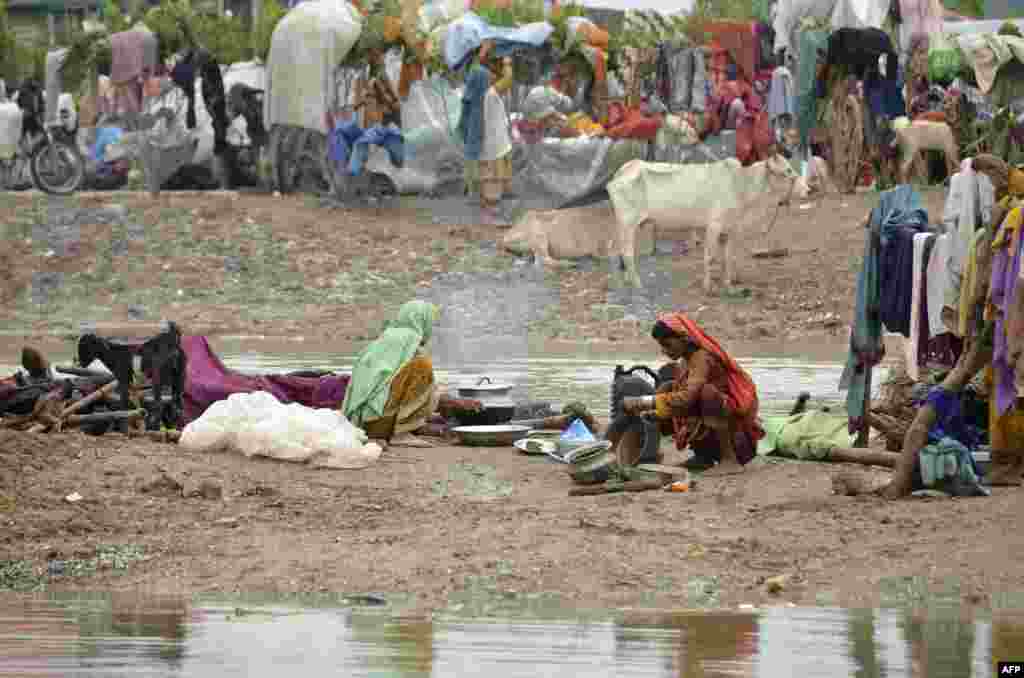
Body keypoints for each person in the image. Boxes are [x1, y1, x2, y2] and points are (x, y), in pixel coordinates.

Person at [623, 312, 764, 475]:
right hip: (707, 427)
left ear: (684, 338)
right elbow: (680, 397)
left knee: (706, 393)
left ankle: (729, 459)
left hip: (737, 440)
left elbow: (688, 398)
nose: (664, 351)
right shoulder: (685, 361)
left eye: (667, 344)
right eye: (661, 346)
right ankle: (703, 457)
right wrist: (656, 413)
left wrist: (642, 401)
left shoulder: (702, 358)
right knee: (668, 387)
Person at [341, 300, 482, 448]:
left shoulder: (388, 337)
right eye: (430, 323)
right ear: (421, 320)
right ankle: (400, 432)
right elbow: (420, 387)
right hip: (377, 423)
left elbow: (391, 386)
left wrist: (449, 402)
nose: (431, 329)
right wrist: (455, 402)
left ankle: (401, 428)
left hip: (361, 423)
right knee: (422, 367)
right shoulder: (408, 339)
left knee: (420, 370)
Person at [458, 41, 513, 221]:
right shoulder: (489, 95)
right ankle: (490, 215)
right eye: (487, 76)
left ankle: (485, 210)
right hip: (494, 147)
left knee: (485, 179)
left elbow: (474, 73)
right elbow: (508, 79)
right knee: (493, 181)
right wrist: (507, 62)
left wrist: (482, 54)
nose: (491, 77)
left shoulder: (474, 97)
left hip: (483, 147)